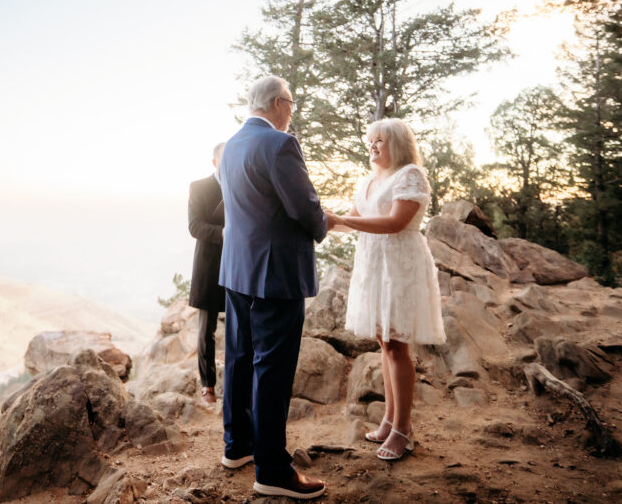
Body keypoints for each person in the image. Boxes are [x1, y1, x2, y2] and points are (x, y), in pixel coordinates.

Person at [218, 75, 332, 499]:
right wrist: (324, 222)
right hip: (274, 274)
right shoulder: (280, 144)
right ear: (279, 103)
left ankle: (238, 446)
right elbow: (303, 205)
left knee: (239, 359)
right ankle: (271, 469)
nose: (292, 111)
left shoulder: (230, 145)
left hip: (236, 270)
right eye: (292, 103)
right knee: (272, 369)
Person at [329, 118, 446, 462]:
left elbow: (396, 222)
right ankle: (389, 419)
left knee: (397, 346)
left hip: (399, 265)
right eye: (370, 141)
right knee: (384, 342)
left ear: (397, 143)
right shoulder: (368, 180)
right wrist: (312, 217)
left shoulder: (410, 174)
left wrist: (343, 220)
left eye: (380, 141)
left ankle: (403, 430)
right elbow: (344, 222)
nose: (373, 146)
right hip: (373, 264)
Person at [187, 142, 226, 404]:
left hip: (238, 264)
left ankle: (234, 382)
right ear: (214, 162)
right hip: (209, 263)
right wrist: (223, 234)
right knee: (206, 329)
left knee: (238, 326)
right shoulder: (198, 187)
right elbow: (194, 226)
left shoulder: (242, 185)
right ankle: (208, 384)